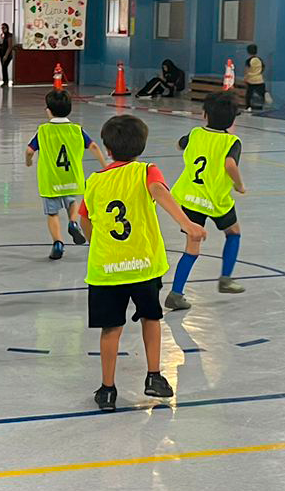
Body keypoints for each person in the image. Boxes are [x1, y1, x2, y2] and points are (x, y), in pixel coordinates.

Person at [79, 115, 206, 411]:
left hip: (106, 270)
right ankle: (154, 376)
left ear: (108, 150)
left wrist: (93, 240)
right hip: (142, 265)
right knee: (152, 318)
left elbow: (85, 220)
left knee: (110, 329)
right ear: (142, 146)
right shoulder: (146, 171)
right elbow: (160, 192)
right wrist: (187, 224)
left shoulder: (95, 180)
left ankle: (108, 389)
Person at [166, 92, 247, 311]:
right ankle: (225, 278)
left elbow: (179, 145)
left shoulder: (195, 134)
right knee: (234, 232)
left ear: (204, 115)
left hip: (191, 197)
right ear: (232, 120)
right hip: (215, 199)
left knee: (192, 247)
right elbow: (230, 164)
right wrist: (239, 185)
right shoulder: (231, 141)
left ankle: (176, 293)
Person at [25, 90, 106, 260]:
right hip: (72, 177)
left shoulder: (44, 131)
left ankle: (58, 243)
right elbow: (94, 147)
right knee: (72, 202)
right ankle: (73, 222)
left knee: (52, 213)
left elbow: (29, 151)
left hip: (51, 180)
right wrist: (105, 166)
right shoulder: (77, 130)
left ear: (48, 110)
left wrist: (28, 161)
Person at [243, 44, 265, 112]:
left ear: (248, 51)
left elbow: (246, 71)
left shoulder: (248, 61)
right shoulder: (260, 60)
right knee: (261, 94)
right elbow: (263, 68)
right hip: (260, 79)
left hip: (251, 80)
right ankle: (261, 106)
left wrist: (245, 78)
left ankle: (248, 107)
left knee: (249, 94)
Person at [0, 23, 15, 87]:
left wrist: (6, 55)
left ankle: (6, 81)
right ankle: (4, 81)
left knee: (4, 66)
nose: (2, 29)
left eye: (4, 28)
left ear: (7, 28)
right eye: (2, 28)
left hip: (7, 53)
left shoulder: (9, 35)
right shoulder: (2, 35)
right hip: (1, 52)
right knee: (3, 67)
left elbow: (10, 46)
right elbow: (1, 43)